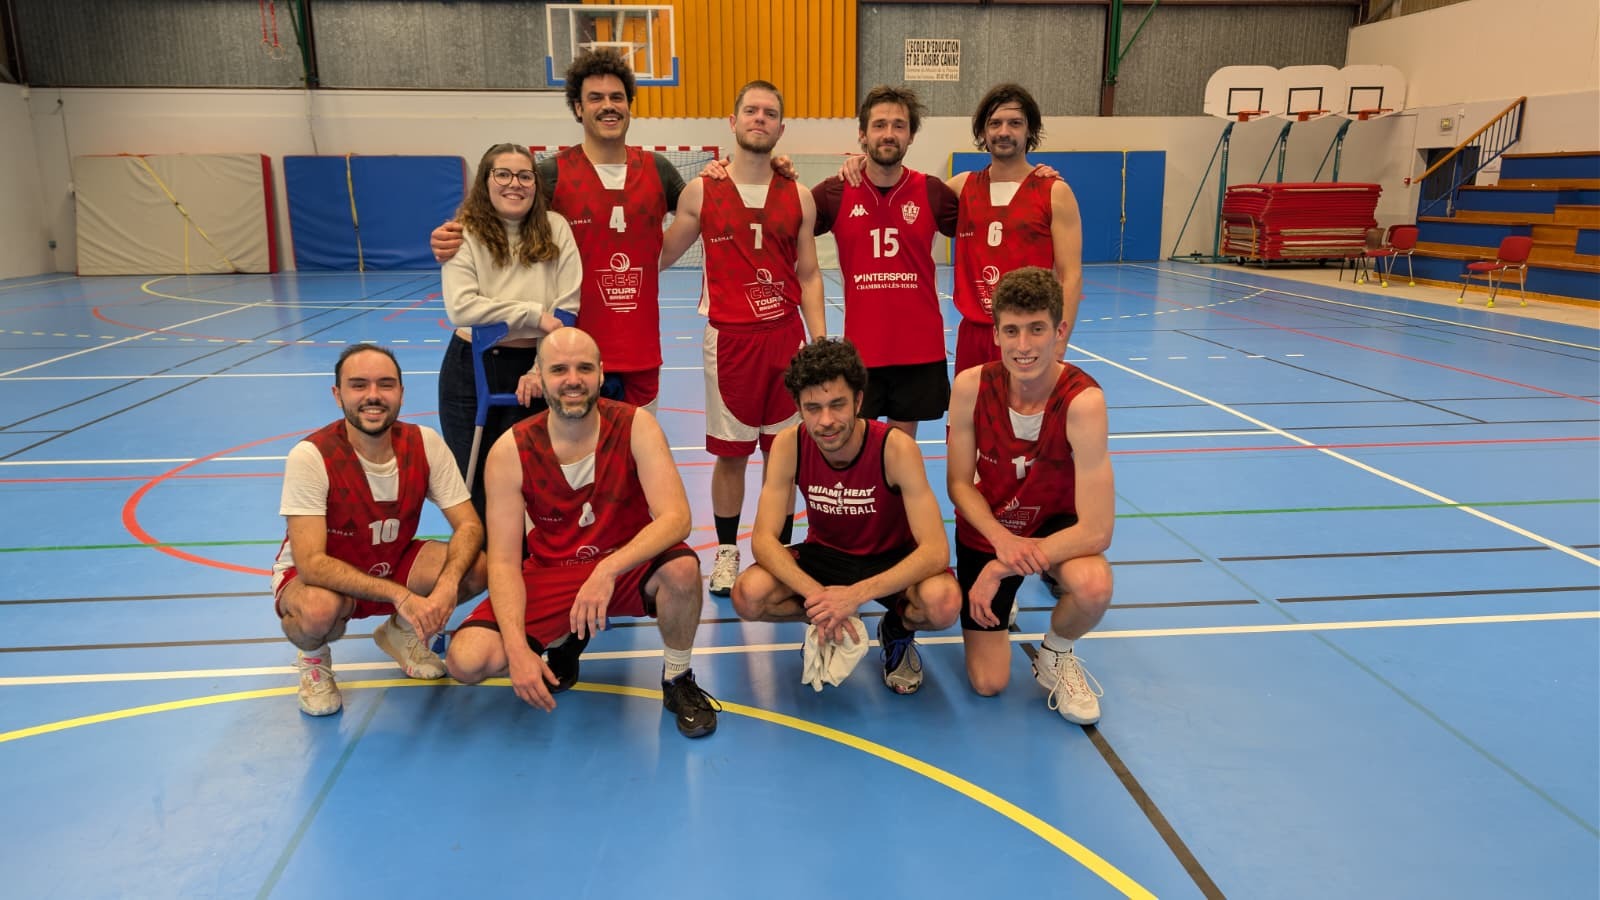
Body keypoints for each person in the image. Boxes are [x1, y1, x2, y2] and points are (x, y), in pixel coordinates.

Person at [445, 328, 720, 738]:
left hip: (624, 565)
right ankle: (562, 639)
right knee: (466, 661)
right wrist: (518, 651)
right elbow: (502, 562)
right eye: (559, 370)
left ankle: (677, 678)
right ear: (539, 375)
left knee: (681, 570)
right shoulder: (510, 450)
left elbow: (677, 518)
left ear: (601, 373)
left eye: (584, 368)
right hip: (553, 572)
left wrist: (607, 570)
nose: (573, 380)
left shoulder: (635, 425)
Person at [433, 50, 689, 410]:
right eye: (595, 98)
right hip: (568, 350)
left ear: (629, 105)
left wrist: (728, 174)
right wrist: (453, 234)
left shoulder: (658, 169)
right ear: (578, 108)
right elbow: (497, 214)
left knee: (636, 443)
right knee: (574, 445)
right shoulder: (550, 174)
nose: (608, 106)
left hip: (639, 349)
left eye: (617, 97)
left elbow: (703, 210)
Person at [660, 80, 826, 597]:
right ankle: (728, 551)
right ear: (733, 122)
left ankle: (777, 551)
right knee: (730, 455)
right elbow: (659, 255)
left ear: (781, 127)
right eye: (751, 110)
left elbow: (809, 274)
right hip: (729, 340)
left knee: (785, 457)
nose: (760, 119)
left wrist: (820, 342)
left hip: (786, 340)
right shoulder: (701, 190)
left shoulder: (798, 195)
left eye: (769, 113)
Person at [730, 338, 960, 694]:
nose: (826, 421)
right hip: (827, 556)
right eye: (813, 408)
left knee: (943, 603)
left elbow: (935, 551)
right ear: (799, 407)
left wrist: (853, 596)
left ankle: (896, 630)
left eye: (837, 404)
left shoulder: (895, 448)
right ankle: (828, 618)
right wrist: (820, 598)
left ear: (858, 401)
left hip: (890, 557)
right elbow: (763, 539)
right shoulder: (790, 444)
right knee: (748, 595)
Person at [273, 344, 488, 716]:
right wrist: (400, 595)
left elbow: (468, 524)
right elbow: (311, 564)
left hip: (390, 561)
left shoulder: (425, 443)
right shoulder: (310, 456)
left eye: (385, 384)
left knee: (477, 567)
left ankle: (401, 632)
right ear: (338, 394)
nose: (373, 395)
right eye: (359, 385)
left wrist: (448, 584)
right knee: (318, 610)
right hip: (324, 580)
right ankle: (314, 661)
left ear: (401, 392)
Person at [946, 267, 1113, 725]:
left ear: (1059, 332)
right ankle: (1009, 591)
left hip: (1053, 526)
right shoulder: (970, 387)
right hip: (990, 529)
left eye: (1037, 329)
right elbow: (958, 483)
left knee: (1094, 586)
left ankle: (1056, 652)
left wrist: (1003, 566)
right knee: (988, 682)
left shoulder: (1083, 401)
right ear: (996, 334)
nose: (1023, 345)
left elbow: (1097, 530)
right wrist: (1001, 543)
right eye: (1012, 331)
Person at [439, 142, 581, 516]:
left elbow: (566, 309)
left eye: (524, 176)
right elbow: (461, 307)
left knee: (534, 483)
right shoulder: (463, 232)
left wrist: (538, 369)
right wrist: (532, 314)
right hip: (471, 367)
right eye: (502, 174)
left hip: (535, 366)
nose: (514, 184)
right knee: (475, 483)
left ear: (536, 184)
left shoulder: (556, 228)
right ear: (485, 181)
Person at [811, 85, 958, 439]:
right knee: (857, 449)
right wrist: (773, 167)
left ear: (911, 135)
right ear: (862, 134)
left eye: (899, 125)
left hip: (918, 349)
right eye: (879, 125)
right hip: (862, 352)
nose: (888, 134)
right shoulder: (834, 193)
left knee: (901, 449)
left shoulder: (932, 192)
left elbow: (983, 208)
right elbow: (784, 215)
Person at [950, 84, 1084, 374]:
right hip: (974, 335)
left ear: (1029, 130)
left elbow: (1070, 276)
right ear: (982, 132)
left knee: (1028, 406)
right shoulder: (961, 187)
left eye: (1015, 123)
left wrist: (1060, 343)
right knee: (968, 404)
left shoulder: (1054, 192)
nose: (1004, 132)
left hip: (1029, 336)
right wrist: (864, 164)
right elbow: (907, 194)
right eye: (994, 123)